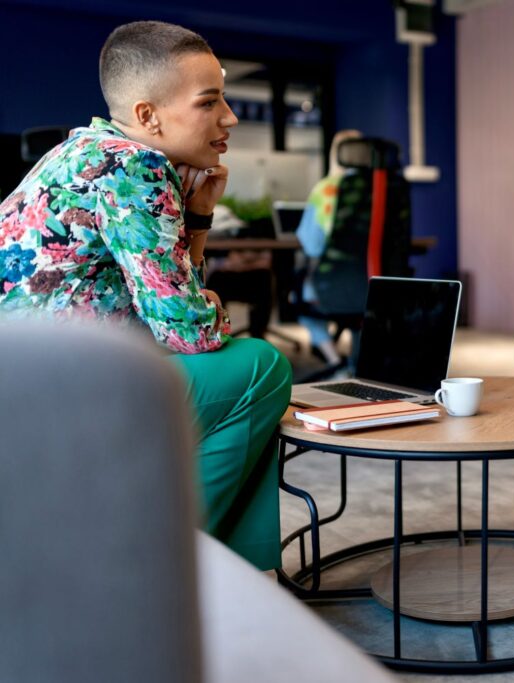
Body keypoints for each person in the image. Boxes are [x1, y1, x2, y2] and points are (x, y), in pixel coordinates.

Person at [0, 21, 292, 570]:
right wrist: (204, 301)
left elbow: (168, 310)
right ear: (146, 116)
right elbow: (190, 332)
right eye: (210, 102)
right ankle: (149, 564)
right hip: (59, 398)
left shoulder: (83, 147)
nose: (229, 117)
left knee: (240, 373)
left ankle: (222, 574)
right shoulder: (137, 166)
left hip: (24, 388)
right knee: (263, 366)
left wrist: (197, 214)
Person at [295, 129, 363, 366]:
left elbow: (312, 245)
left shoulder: (326, 190)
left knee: (301, 297)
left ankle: (336, 362)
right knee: (363, 306)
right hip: (377, 283)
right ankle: (360, 361)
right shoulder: (382, 191)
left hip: (333, 284)